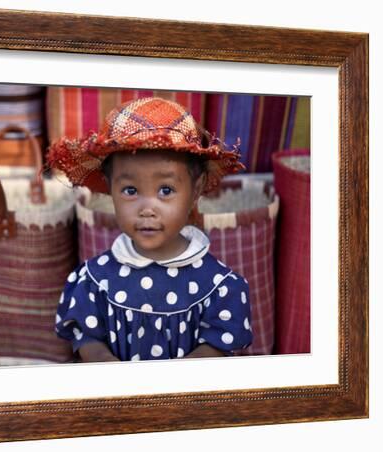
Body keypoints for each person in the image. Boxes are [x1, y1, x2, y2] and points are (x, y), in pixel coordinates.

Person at [47, 97, 252, 362]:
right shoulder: (94, 281)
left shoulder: (219, 286)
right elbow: (87, 340)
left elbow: (215, 348)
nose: (147, 208)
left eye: (166, 190)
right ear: (111, 188)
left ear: (196, 190)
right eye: (130, 191)